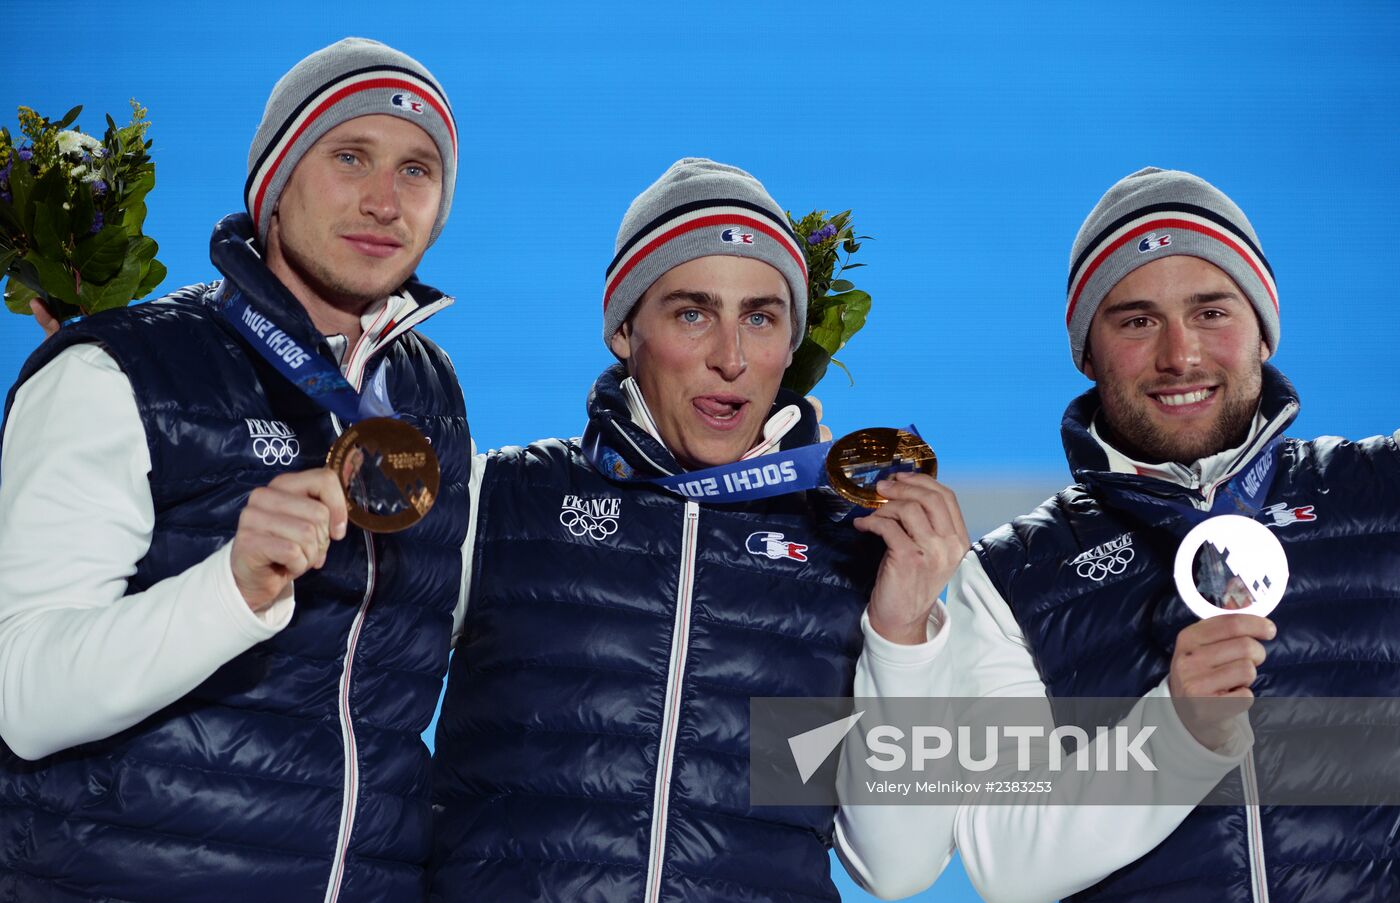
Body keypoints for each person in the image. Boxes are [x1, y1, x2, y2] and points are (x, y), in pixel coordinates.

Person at [0, 38, 471, 902]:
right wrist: (230, 589)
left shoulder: (431, 397)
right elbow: (20, 698)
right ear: (275, 187)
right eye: (350, 156)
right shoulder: (116, 372)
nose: (383, 200)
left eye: (416, 170)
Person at [428, 158, 968, 902]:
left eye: (760, 317)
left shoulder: (846, 552)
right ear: (624, 328)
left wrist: (905, 629)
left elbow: (896, 866)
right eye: (692, 313)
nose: (732, 358)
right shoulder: (504, 501)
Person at [940, 168, 1400, 902]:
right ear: (1086, 352)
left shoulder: (1380, 492)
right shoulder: (1009, 577)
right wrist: (1175, 731)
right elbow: (1005, 862)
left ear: (1264, 330)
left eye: (1211, 312)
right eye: (1136, 321)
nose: (1180, 355)